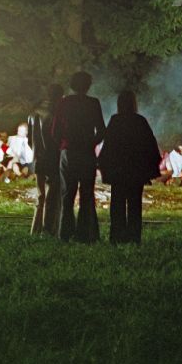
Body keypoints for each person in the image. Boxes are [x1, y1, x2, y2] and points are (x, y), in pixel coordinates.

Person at [98, 90, 162, 244]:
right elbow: (150, 144)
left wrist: (104, 163)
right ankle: (134, 237)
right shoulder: (140, 121)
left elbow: (109, 144)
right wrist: (150, 166)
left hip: (119, 169)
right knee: (135, 204)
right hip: (135, 169)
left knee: (117, 203)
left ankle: (117, 236)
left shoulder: (116, 120)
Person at [51, 71, 106, 242]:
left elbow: (55, 131)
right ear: (88, 85)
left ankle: (65, 233)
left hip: (68, 152)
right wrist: (91, 143)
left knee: (67, 193)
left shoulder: (64, 103)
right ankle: (86, 234)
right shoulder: (93, 103)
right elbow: (101, 130)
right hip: (87, 153)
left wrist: (64, 143)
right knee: (87, 194)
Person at [29, 84, 64, 236]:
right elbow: (56, 138)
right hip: (53, 157)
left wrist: (36, 153)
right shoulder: (57, 113)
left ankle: (35, 230)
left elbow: (31, 140)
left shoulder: (33, 113)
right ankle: (49, 230)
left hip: (38, 158)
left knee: (41, 195)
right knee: (53, 196)